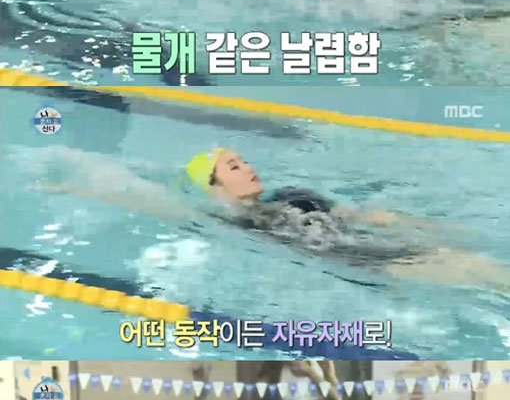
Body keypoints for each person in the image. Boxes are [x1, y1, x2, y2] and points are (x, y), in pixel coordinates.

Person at [32, 145, 510, 289]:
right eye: (233, 167)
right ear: (215, 189)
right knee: (472, 271)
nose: (248, 168)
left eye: (244, 160)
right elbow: (146, 202)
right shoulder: (231, 221)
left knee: (466, 262)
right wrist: (75, 188)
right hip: (354, 261)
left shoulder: (295, 193)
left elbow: (363, 215)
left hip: (361, 244)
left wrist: (428, 226)